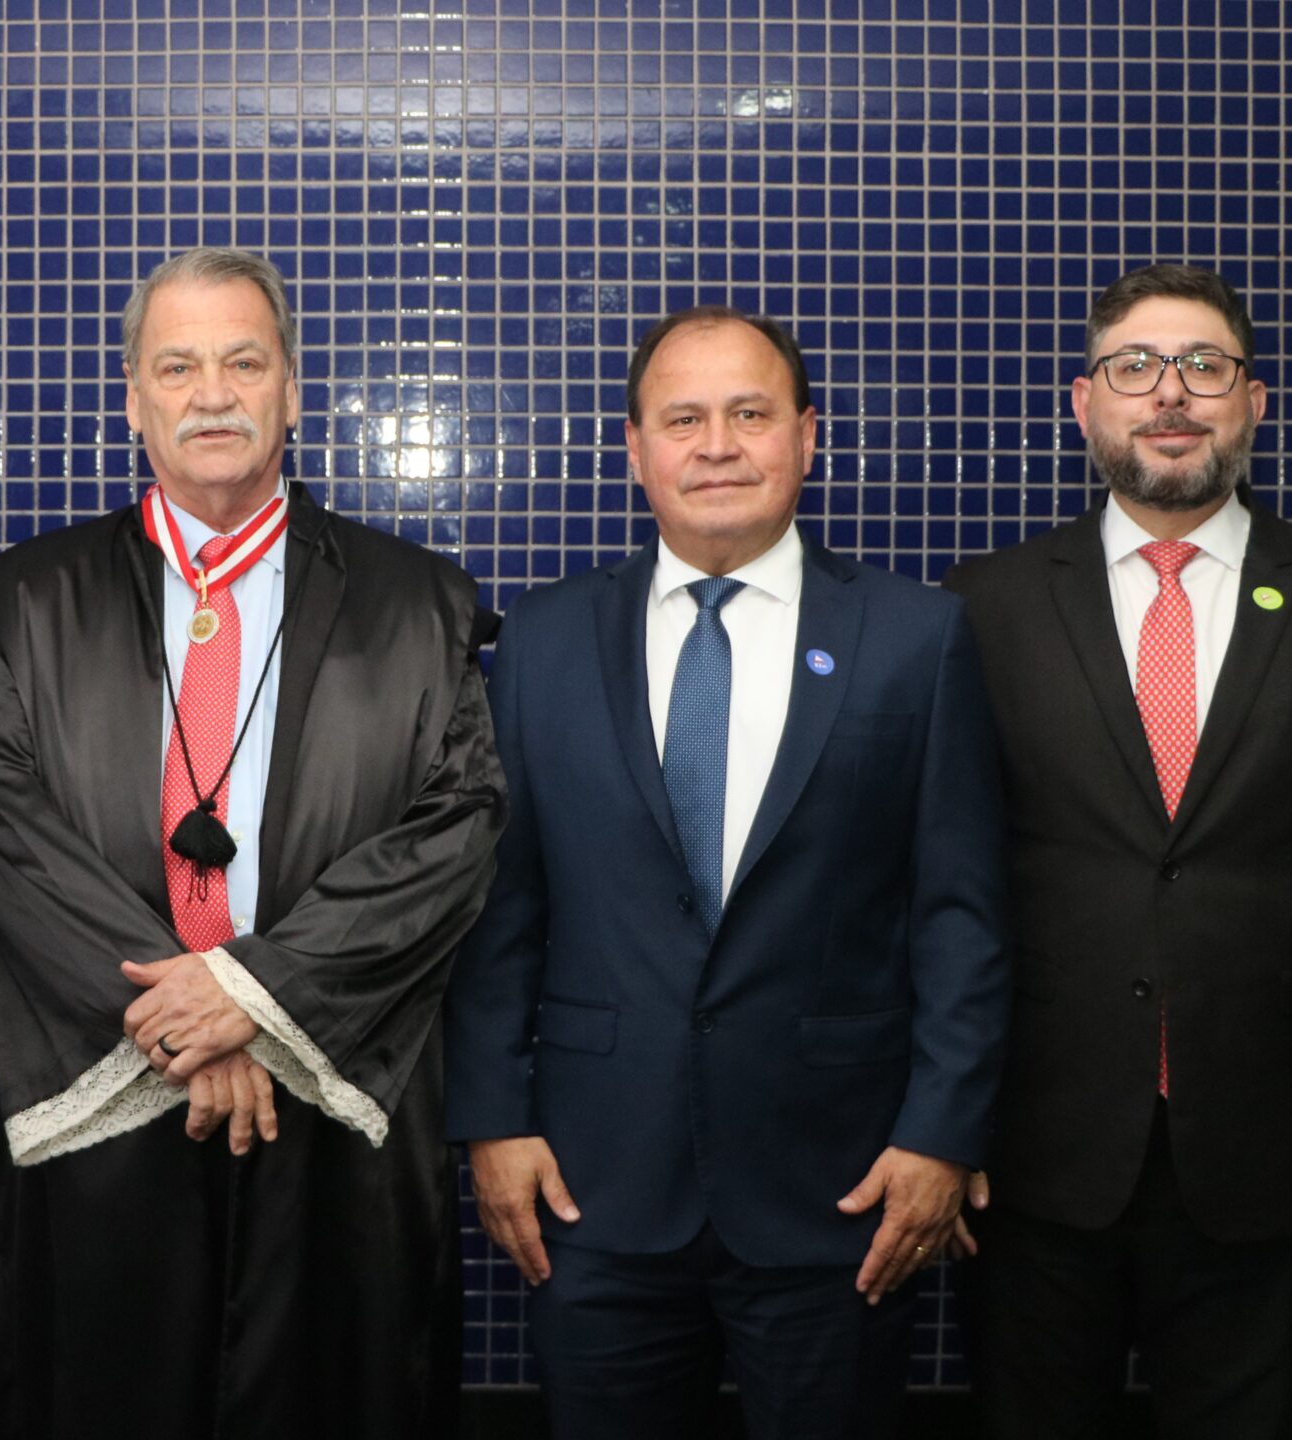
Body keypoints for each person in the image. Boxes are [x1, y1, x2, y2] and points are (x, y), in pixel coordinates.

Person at [0, 246, 506, 1439]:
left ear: (292, 392)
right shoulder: (32, 598)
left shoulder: (421, 605)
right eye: (177, 366)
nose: (212, 394)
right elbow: (4, 831)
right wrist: (188, 1021)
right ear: (133, 398)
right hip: (109, 1097)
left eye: (244, 363)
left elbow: (453, 836)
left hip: (335, 1106)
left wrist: (254, 993)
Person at [443, 305, 1010, 1439]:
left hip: (843, 1188)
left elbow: (962, 913)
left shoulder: (916, 638)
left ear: (807, 438)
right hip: (590, 1187)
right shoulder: (543, 641)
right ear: (634, 448)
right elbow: (497, 907)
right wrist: (491, 1122)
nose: (717, 445)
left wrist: (942, 1134)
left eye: (750, 414)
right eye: (684, 418)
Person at [941, 263, 1292, 1440]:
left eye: (1203, 368)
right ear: (1084, 404)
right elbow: (936, 890)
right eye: (1134, 368)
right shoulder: (981, 606)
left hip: (1274, 1159)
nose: (1168, 395)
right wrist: (938, 1121)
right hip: (1031, 1153)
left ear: (1253, 402)